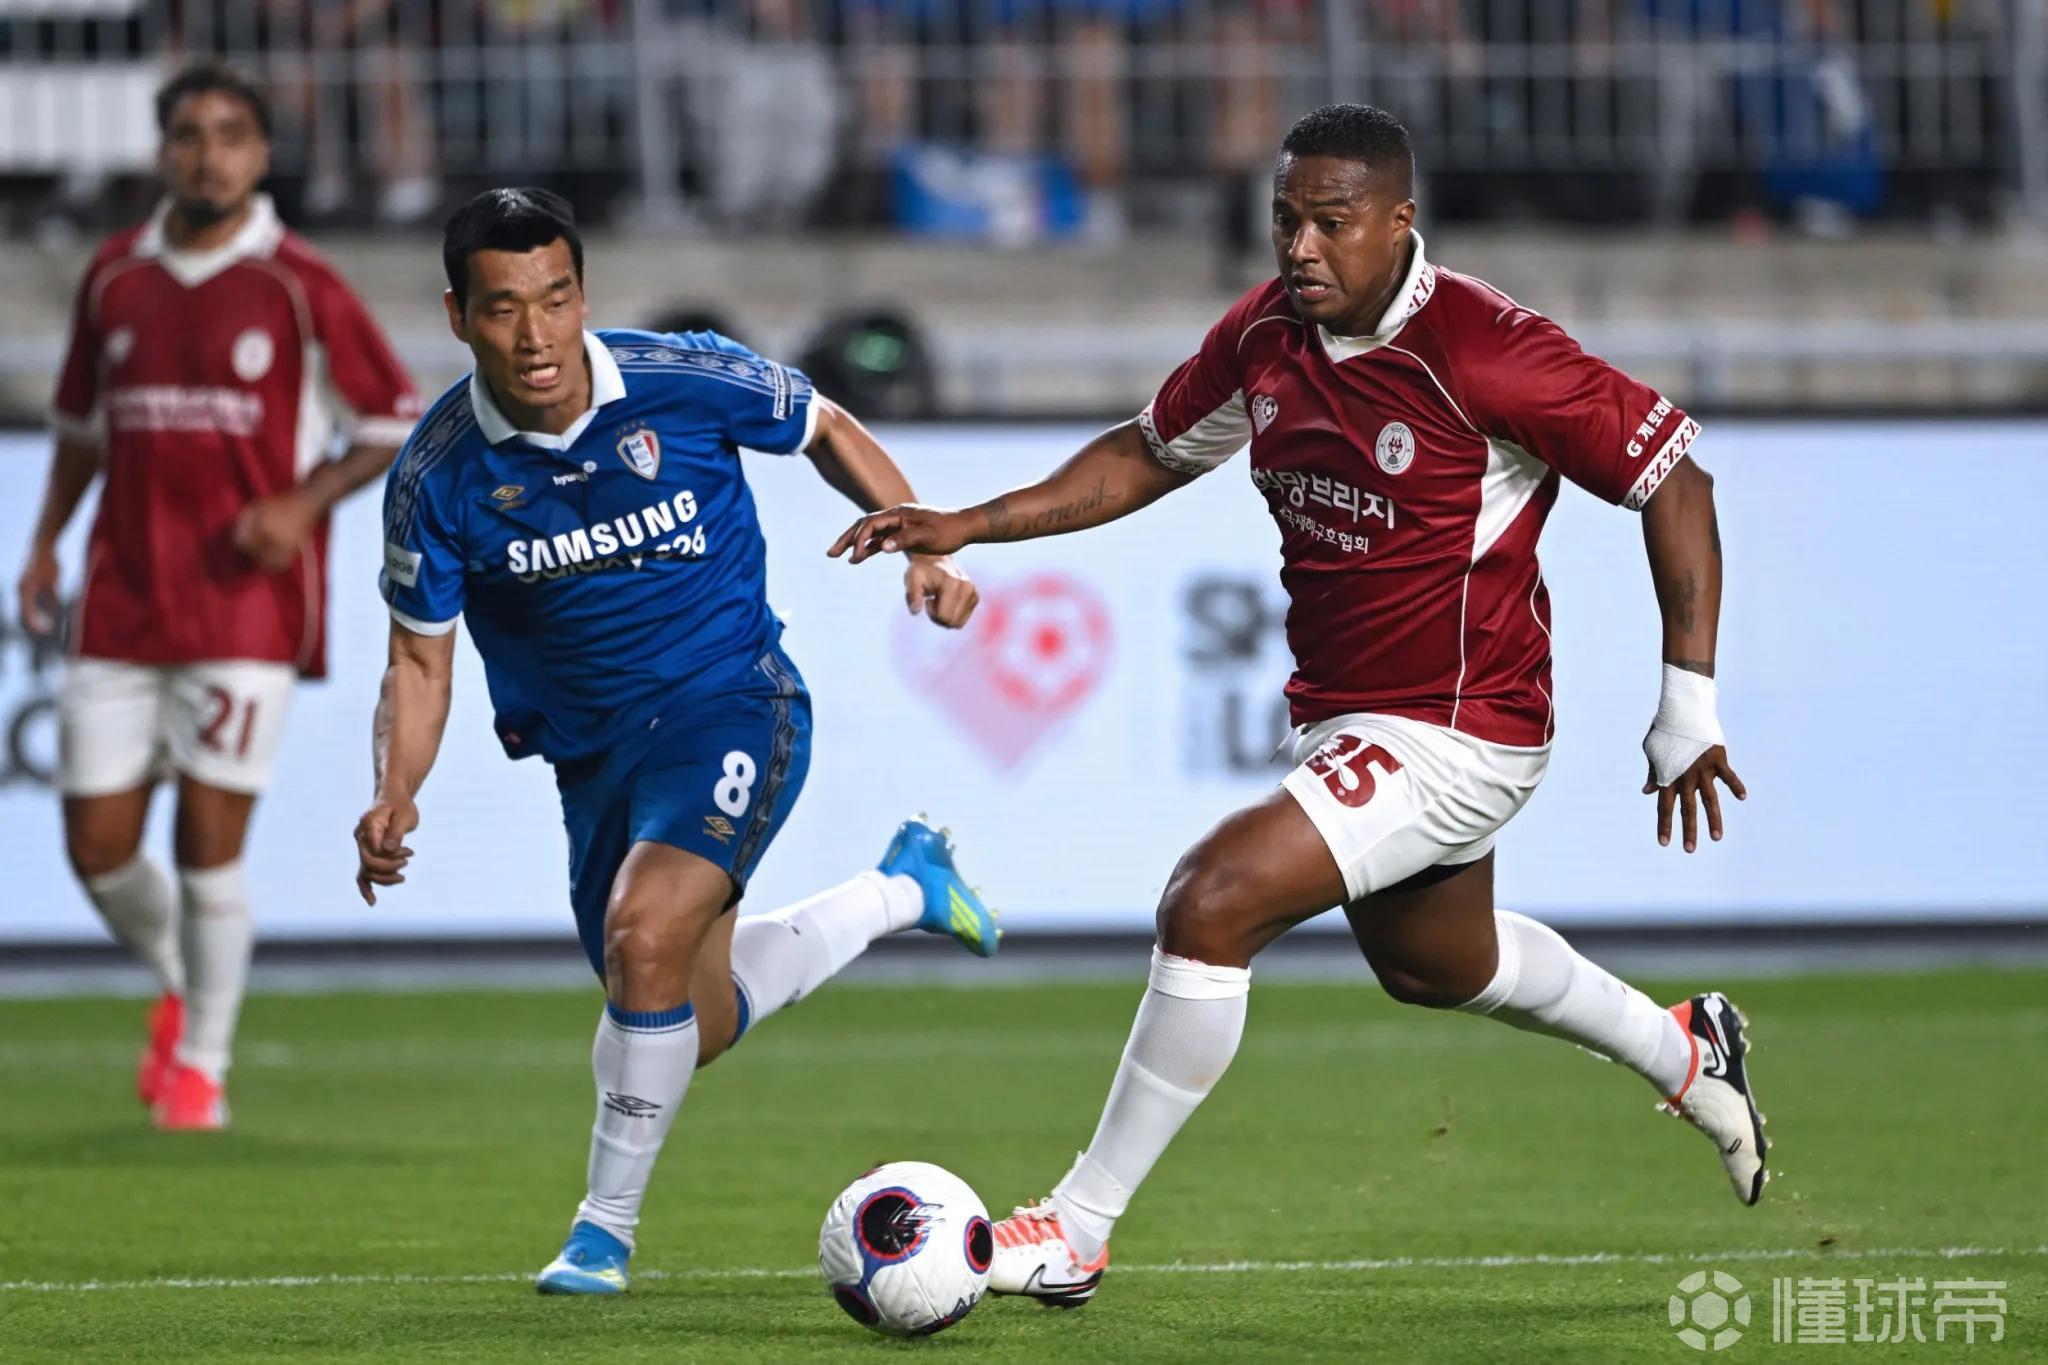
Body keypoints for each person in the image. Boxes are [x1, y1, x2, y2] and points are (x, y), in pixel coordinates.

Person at [831, 103, 1760, 1309]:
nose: (1300, 247)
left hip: (1461, 725)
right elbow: (1147, 452)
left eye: (1330, 222)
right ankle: (1685, 1050)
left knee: (1208, 902)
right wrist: (970, 522)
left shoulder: (1487, 350)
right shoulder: (1267, 333)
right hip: (1345, 713)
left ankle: (1074, 1229)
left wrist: (1686, 703)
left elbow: (1674, 479)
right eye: (1284, 220)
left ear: (1399, 221)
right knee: (1437, 965)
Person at [355, 187, 998, 1295]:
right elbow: (419, 661)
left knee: (642, 934)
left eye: (556, 299)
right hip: (593, 760)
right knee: (682, 1015)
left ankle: (600, 1236)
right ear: (459, 317)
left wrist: (923, 548)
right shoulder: (437, 476)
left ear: (582, 295)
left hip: (733, 702)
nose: (536, 334)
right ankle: (903, 888)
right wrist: (394, 790)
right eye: (504, 308)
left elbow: (825, 424)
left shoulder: (680, 377)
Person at [15, 60, 420, 1131]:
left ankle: (202, 1065)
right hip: (122, 600)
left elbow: (390, 419)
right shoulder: (115, 275)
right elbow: (80, 431)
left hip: (245, 609)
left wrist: (303, 501)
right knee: (97, 849)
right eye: (190, 134)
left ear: (261, 154)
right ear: (163, 151)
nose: (210, 155)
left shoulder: (298, 282)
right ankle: (184, 979)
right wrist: (45, 543)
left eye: (231, 134)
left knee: (208, 846)